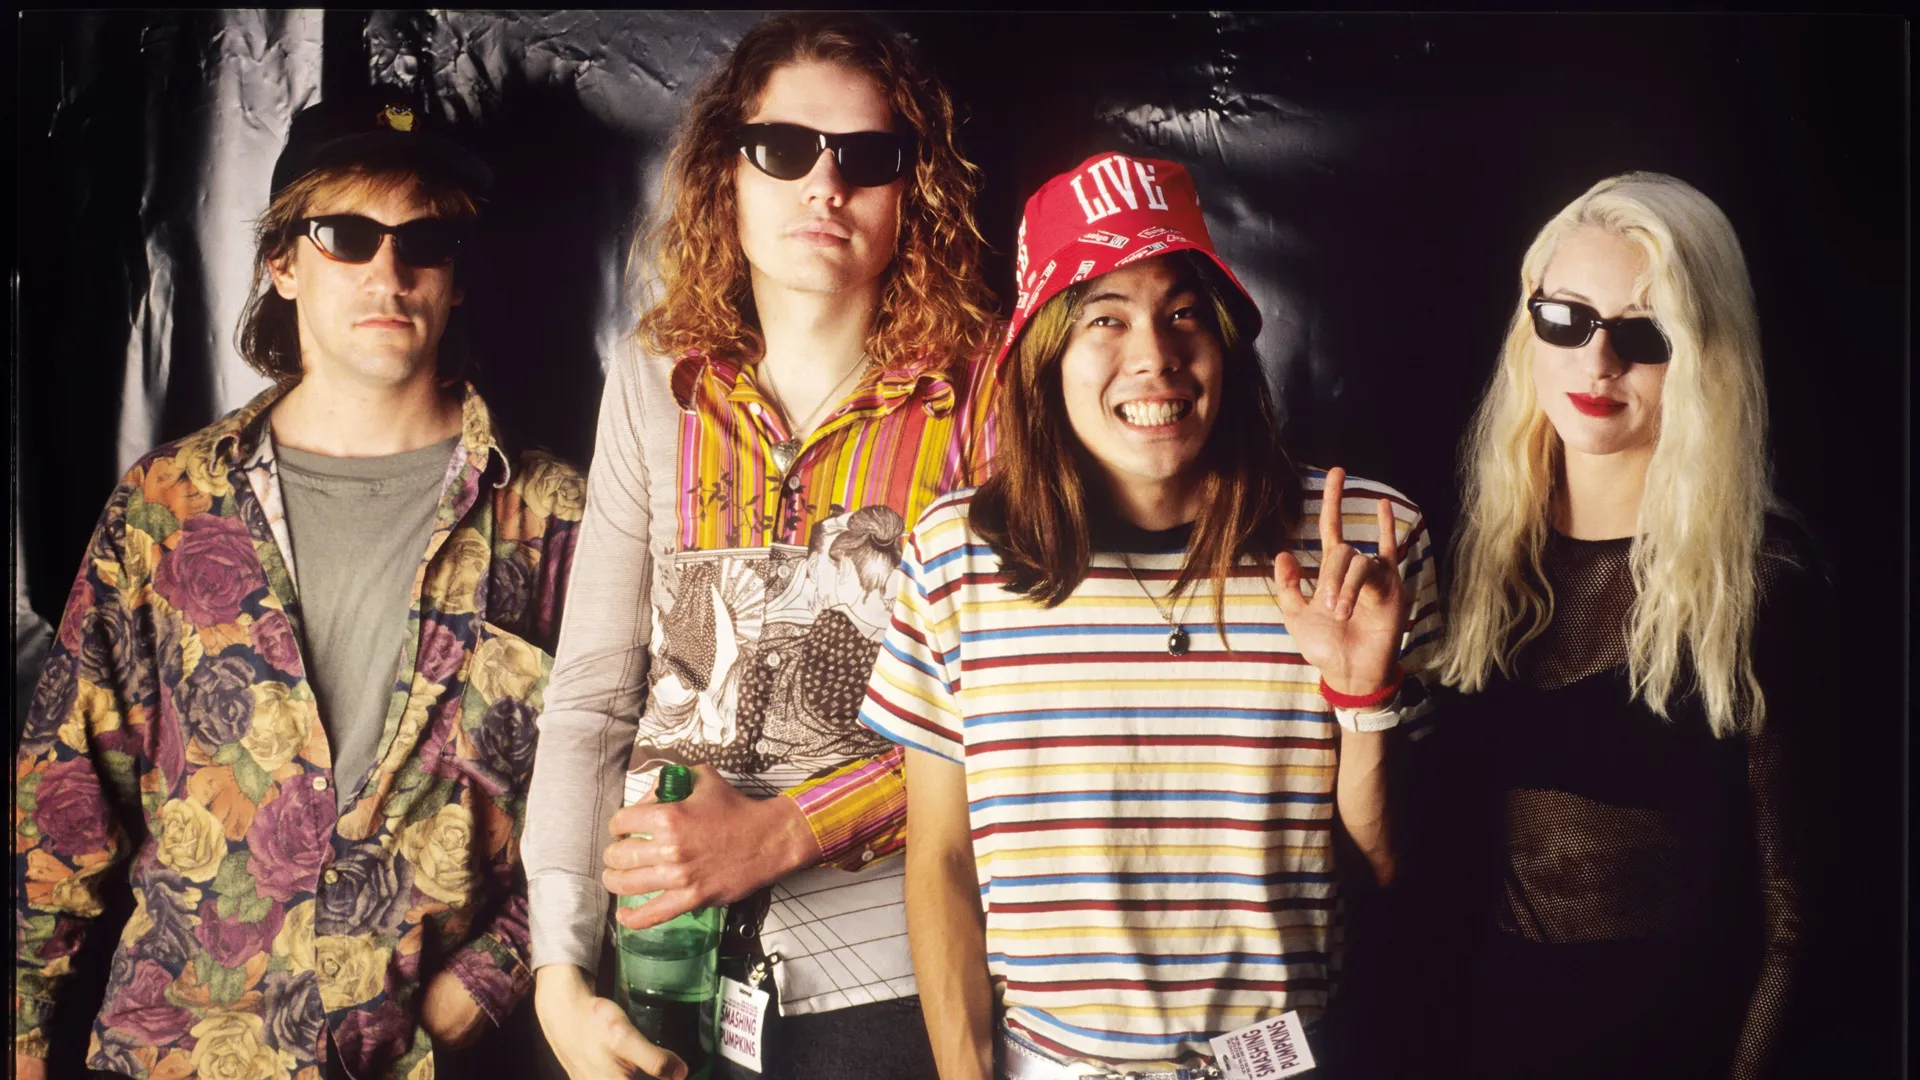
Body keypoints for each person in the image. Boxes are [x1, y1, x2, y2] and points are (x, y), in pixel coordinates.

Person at [12, 88, 583, 1080]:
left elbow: (617, 784)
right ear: (282, 261)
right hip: (180, 1053)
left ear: (457, 277)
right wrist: (23, 1039)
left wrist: (485, 981)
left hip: (416, 1060)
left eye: (424, 242)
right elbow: (64, 796)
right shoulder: (168, 504)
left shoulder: (550, 518)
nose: (389, 274)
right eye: (347, 236)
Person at [859, 153, 1444, 1080]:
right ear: (1045, 353)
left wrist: (1363, 698)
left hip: (1283, 1064)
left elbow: (1397, 876)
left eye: (1183, 313)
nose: (1155, 357)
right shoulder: (955, 556)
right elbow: (942, 864)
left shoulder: (1365, 543)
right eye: (1106, 318)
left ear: (1225, 340)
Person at [522, 13, 996, 1080]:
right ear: (724, 174)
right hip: (659, 970)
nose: (824, 186)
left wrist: (786, 831)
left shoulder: (984, 393)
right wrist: (560, 978)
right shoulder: (655, 380)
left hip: (892, 984)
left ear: (913, 191)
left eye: (867, 157)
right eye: (783, 149)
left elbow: (1017, 715)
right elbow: (593, 695)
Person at [1428, 171, 1815, 1078]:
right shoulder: (1480, 560)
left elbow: (1795, 923)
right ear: (1529, 327)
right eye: (1566, 318)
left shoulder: (1764, 580)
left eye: (1645, 334)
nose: (1597, 362)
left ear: (1706, 350)